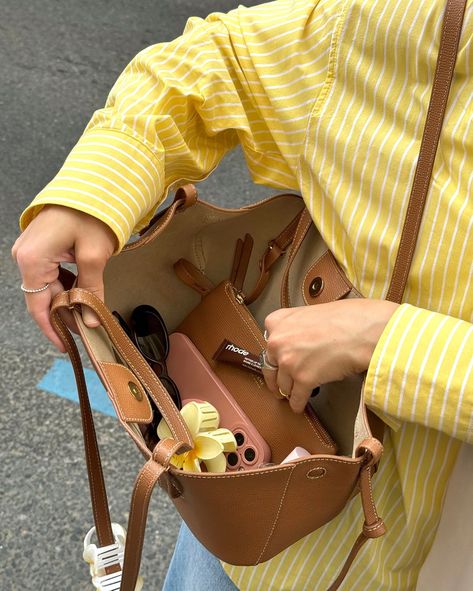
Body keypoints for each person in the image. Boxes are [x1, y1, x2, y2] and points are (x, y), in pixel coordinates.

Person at [12, 0, 473, 589]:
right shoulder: (428, 22)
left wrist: (387, 342)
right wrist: (93, 191)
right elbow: (222, 60)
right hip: (269, 537)